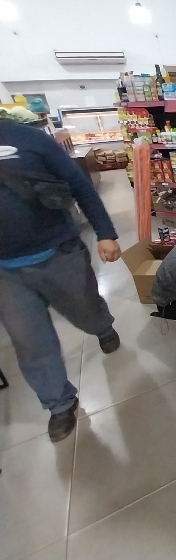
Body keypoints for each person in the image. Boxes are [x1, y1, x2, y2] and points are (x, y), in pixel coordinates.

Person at [0, 120, 122, 442]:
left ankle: (103, 327)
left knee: (86, 308)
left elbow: (78, 183)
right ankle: (59, 404)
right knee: (30, 341)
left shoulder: (26, 138)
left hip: (59, 252)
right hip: (5, 272)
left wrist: (105, 232)